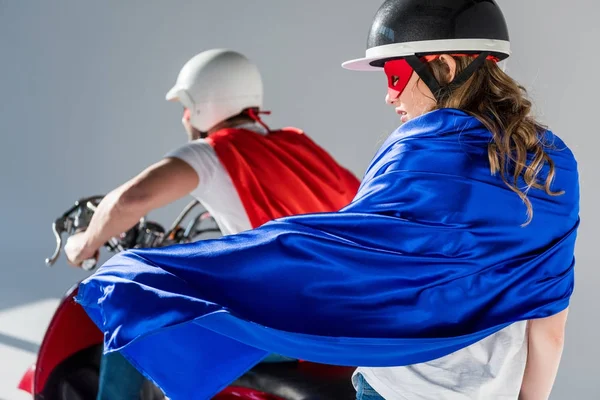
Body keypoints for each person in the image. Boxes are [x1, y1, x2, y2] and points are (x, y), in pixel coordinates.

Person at [75, 1, 580, 400]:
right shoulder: (553, 165)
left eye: (394, 76)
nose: (389, 96)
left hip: (396, 390)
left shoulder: (418, 150)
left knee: (140, 321)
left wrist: (151, 272)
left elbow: (339, 247)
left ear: (444, 66)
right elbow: (549, 319)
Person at [64, 48, 360, 400]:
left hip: (283, 328)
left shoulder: (212, 152)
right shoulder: (298, 145)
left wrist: (84, 242)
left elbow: (131, 200)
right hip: (342, 316)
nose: (185, 117)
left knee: (134, 317)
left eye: (186, 106)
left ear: (201, 105)